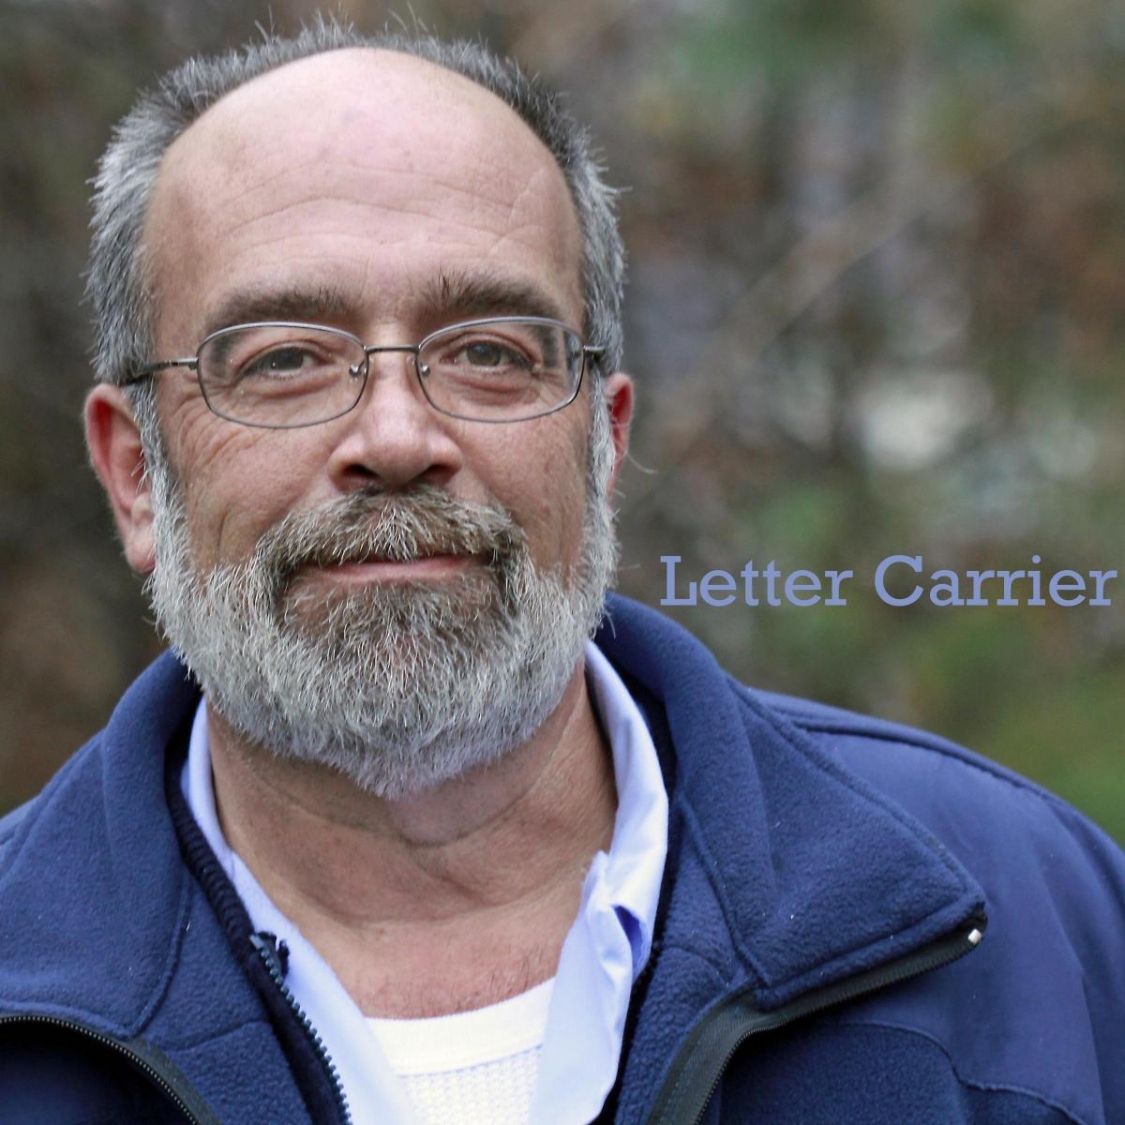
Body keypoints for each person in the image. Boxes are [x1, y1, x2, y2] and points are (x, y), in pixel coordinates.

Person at [1, 21, 1122, 1125]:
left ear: (605, 442)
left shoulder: (1038, 919)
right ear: (136, 472)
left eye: (489, 351)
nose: (397, 439)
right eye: (283, 358)